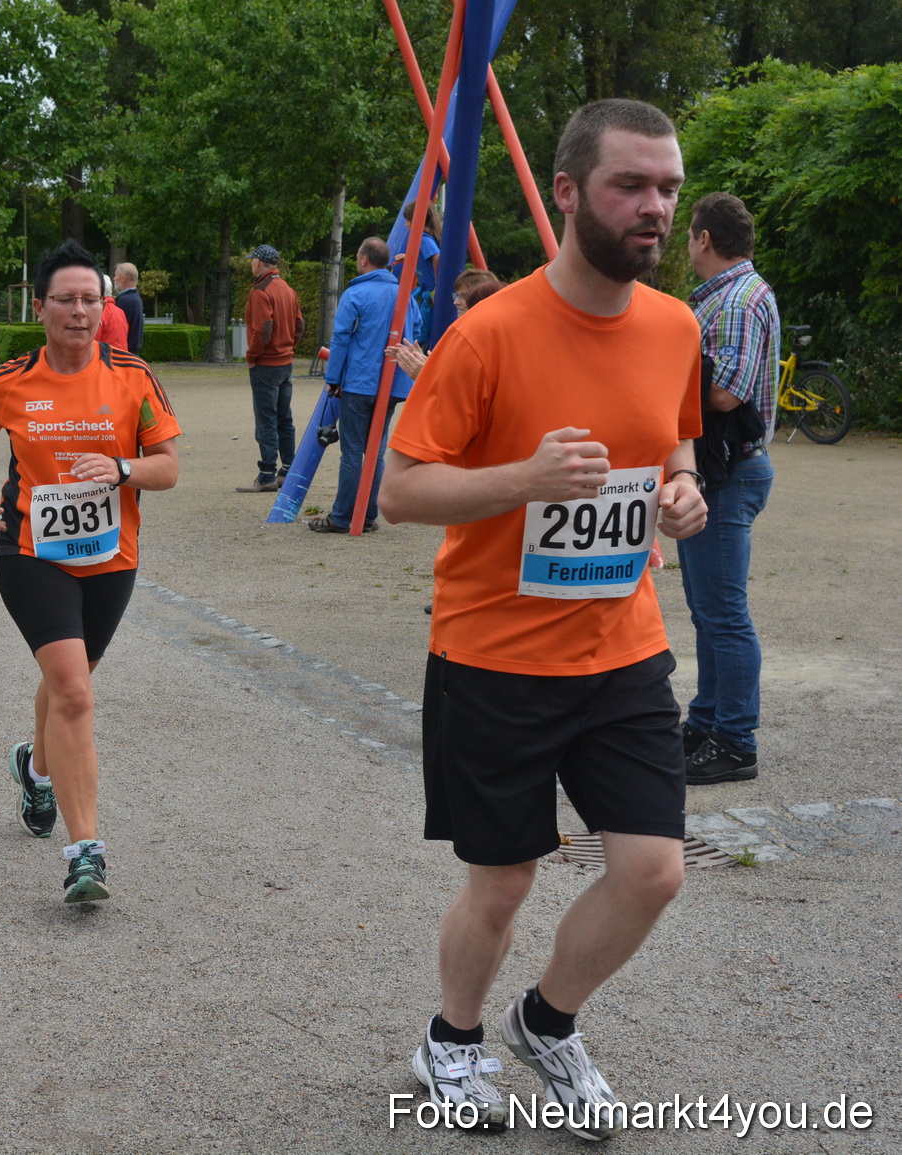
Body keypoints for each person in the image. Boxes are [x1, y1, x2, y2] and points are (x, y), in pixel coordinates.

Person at [380, 99, 708, 1138]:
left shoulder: (676, 325)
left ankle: (547, 1020)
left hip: (623, 649)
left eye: (666, 187)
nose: (654, 208)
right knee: (504, 881)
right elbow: (399, 488)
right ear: (567, 192)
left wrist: (684, 490)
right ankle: (453, 1039)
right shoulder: (488, 334)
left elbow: (676, 441)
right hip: (496, 657)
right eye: (630, 185)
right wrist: (522, 479)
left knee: (652, 873)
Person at [0, 239, 181, 904]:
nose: (78, 311)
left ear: (103, 307)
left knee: (67, 684)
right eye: (65, 299)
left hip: (112, 559)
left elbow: (167, 466)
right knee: (75, 692)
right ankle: (86, 854)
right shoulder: (14, 380)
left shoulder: (133, 376)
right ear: (40, 305)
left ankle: (35, 767)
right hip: (30, 552)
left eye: (90, 299)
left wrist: (123, 468)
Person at [679, 192, 780, 785]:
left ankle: (736, 741)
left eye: (689, 234)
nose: (686, 244)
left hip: (730, 471)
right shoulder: (732, 295)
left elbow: (725, 394)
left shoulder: (737, 300)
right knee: (708, 611)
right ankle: (708, 720)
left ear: (705, 239)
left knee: (723, 615)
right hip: (725, 469)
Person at [307, 238, 422, 535]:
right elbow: (418, 330)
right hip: (393, 382)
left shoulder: (356, 293)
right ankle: (368, 514)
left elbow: (342, 338)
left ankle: (344, 515)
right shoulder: (404, 294)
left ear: (363, 260)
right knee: (376, 451)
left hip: (360, 381)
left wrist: (333, 378)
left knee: (352, 452)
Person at [235, 243, 303, 493]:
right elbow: (300, 326)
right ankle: (288, 470)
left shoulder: (260, 291)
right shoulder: (288, 289)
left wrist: (252, 356)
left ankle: (266, 475)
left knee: (266, 420)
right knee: (285, 418)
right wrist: (288, 347)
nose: (250, 263)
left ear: (260, 262)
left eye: (252, 259)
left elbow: (262, 328)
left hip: (266, 365)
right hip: (286, 362)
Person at [390, 269, 503, 380]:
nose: (456, 302)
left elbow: (463, 388)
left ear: (480, 298)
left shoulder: (483, 338)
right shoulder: (474, 333)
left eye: (463, 296)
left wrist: (426, 374)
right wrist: (423, 362)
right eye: (456, 295)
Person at [391, 201, 441, 345]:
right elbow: (426, 256)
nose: (406, 225)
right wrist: (408, 257)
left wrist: (438, 284)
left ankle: (418, 347)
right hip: (426, 290)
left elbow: (437, 256)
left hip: (430, 291)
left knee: (421, 330)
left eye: (409, 220)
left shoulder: (423, 238)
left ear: (419, 220)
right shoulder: (425, 238)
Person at [113, 262, 144, 355]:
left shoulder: (125, 300)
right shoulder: (135, 298)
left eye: (116, 275)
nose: (114, 278)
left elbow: (117, 330)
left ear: (123, 278)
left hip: (126, 352)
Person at [95, 272, 129, 351]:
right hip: (122, 357)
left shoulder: (100, 311)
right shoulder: (120, 312)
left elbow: (93, 341)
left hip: (106, 358)